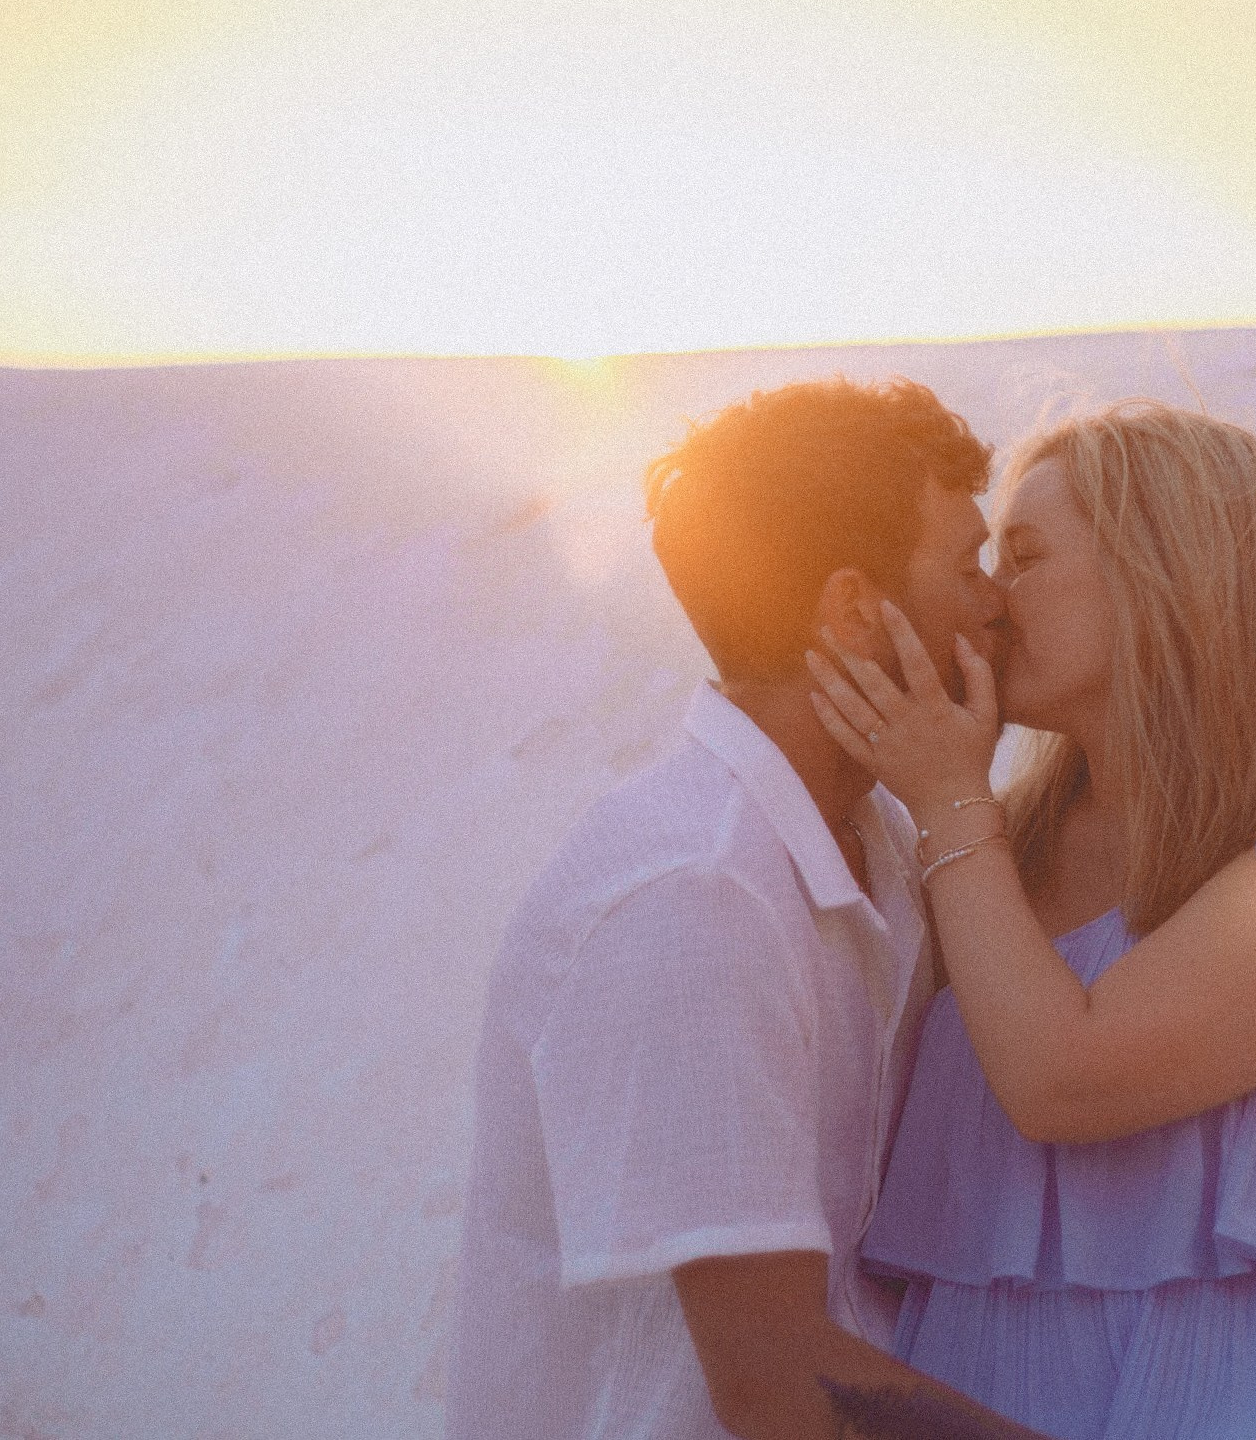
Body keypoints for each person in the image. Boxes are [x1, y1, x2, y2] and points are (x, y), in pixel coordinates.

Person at [811, 402, 1256, 1439]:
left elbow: (1063, 1079)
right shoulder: (989, 857)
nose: (986, 597)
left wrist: (946, 802)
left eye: (1023, 555)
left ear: (1161, 574)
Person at [448, 378, 1059, 1440]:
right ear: (853, 610)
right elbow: (780, 1384)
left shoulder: (883, 845)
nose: (996, 600)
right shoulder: (691, 895)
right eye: (965, 564)